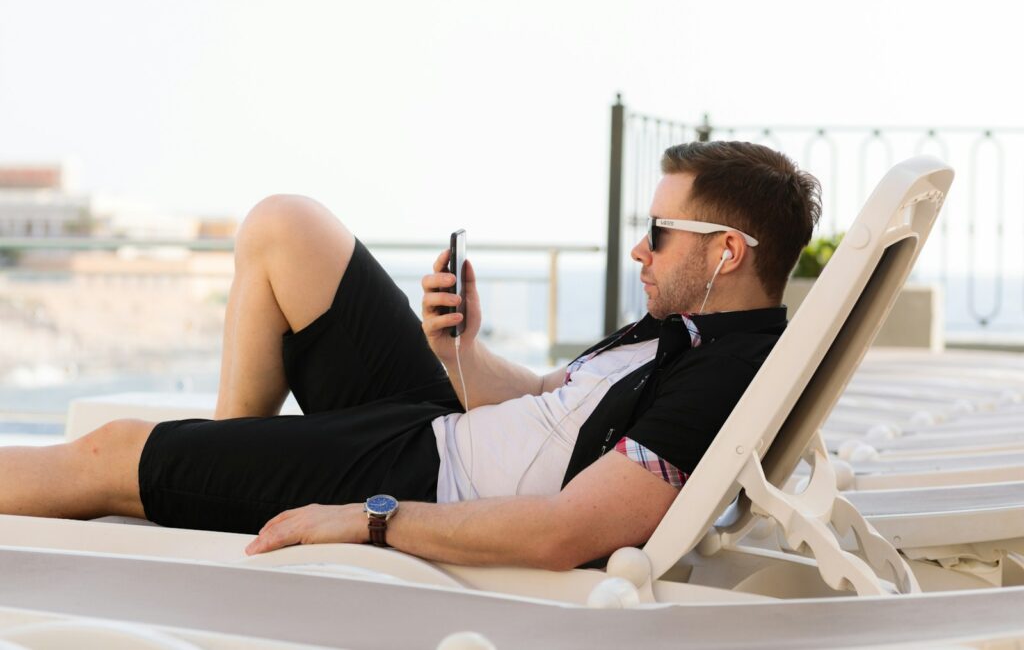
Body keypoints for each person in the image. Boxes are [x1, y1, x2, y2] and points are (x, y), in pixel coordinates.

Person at [0, 141, 821, 570]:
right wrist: (457, 345)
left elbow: (564, 531)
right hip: (435, 428)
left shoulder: (726, 374)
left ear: (726, 252)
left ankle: (200, 474)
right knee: (288, 226)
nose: (639, 252)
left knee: (107, 453)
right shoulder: (682, 327)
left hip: (425, 482)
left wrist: (370, 517)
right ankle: (215, 471)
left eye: (658, 233)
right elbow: (544, 400)